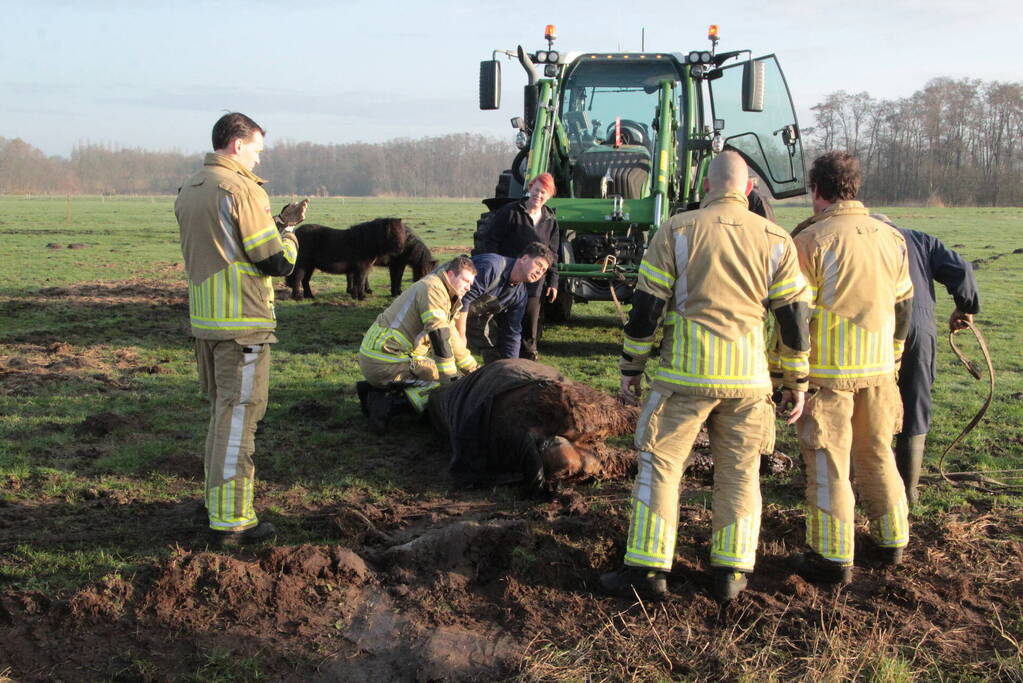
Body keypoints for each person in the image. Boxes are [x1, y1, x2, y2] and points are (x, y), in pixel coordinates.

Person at [599, 151, 811, 603]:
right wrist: (796, 380)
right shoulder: (776, 238)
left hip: (684, 377)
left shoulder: (677, 229)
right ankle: (731, 574)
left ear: (707, 186)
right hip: (749, 382)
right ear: (749, 188)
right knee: (741, 473)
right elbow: (794, 319)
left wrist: (632, 366)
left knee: (660, 466)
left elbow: (647, 309)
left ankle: (648, 569)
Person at [175, 112, 308, 545]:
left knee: (222, 416)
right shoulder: (243, 189)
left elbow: (230, 245)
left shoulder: (192, 187)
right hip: (243, 327)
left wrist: (277, 223)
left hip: (207, 323)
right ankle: (232, 521)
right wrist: (290, 233)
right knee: (239, 424)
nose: (258, 158)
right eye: (256, 149)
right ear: (237, 144)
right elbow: (275, 261)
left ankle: (216, 503)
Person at [785, 151, 914, 585]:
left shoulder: (810, 240)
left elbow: (795, 315)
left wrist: (790, 376)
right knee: (878, 453)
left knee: (829, 463)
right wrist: (894, 357)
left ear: (816, 190)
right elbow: (905, 307)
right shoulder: (891, 237)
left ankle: (831, 556)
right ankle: (892, 540)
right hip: (879, 370)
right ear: (854, 187)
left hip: (829, 376)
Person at [871, 215, 980, 504]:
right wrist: (965, 307)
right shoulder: (920, 240)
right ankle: (908, 491)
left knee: (868, 403)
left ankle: (869, 484)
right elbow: (962, 269)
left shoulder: (862, 238)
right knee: (915, 400)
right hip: (918, 329)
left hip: (873, 329)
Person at [426, 358, 637, 494]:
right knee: (564, 453)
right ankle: (635, 458)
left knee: (578, 422)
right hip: (505, 389)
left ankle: (634, 444)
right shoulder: (448, 402)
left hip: (513, 381)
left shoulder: (448, 398)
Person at [357, 256, 479, 433]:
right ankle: (386, 405)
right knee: (442, 385)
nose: (468, 287)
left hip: (380, 357)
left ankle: (372, 389)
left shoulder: (442, 293)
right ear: (451, 274)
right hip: (386, 361)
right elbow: (439, 337)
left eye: (471, 284)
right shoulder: (434, 290)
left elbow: (452, 338)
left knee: (452, 379)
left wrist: (474, 369)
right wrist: (450, 382)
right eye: (466, 281)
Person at [478, 173, 561, 360]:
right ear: (530, 188)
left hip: (534, 282)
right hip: (508, 278)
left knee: (530, 322)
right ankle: (500, 359)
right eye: (536, 190)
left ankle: (528, 359)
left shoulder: (550, 220)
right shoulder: (510, 212)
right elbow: (490, 240)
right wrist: (496, 269)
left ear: (549, 196)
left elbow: (553, 254)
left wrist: (553, 281)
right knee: (503, 321)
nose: (538, 195)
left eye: (544, 193)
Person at [454, 243, 555, 363]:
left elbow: (512, 332)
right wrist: (461, 337)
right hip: (444, 303)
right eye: (538, 264)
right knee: (446, 345)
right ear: (524, 259)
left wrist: (511, 366)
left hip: (471, 314)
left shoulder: (520, 295)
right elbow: (463, 300)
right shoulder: (491, 267)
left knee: (496, 351)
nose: (539, 272)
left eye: (543, 270)